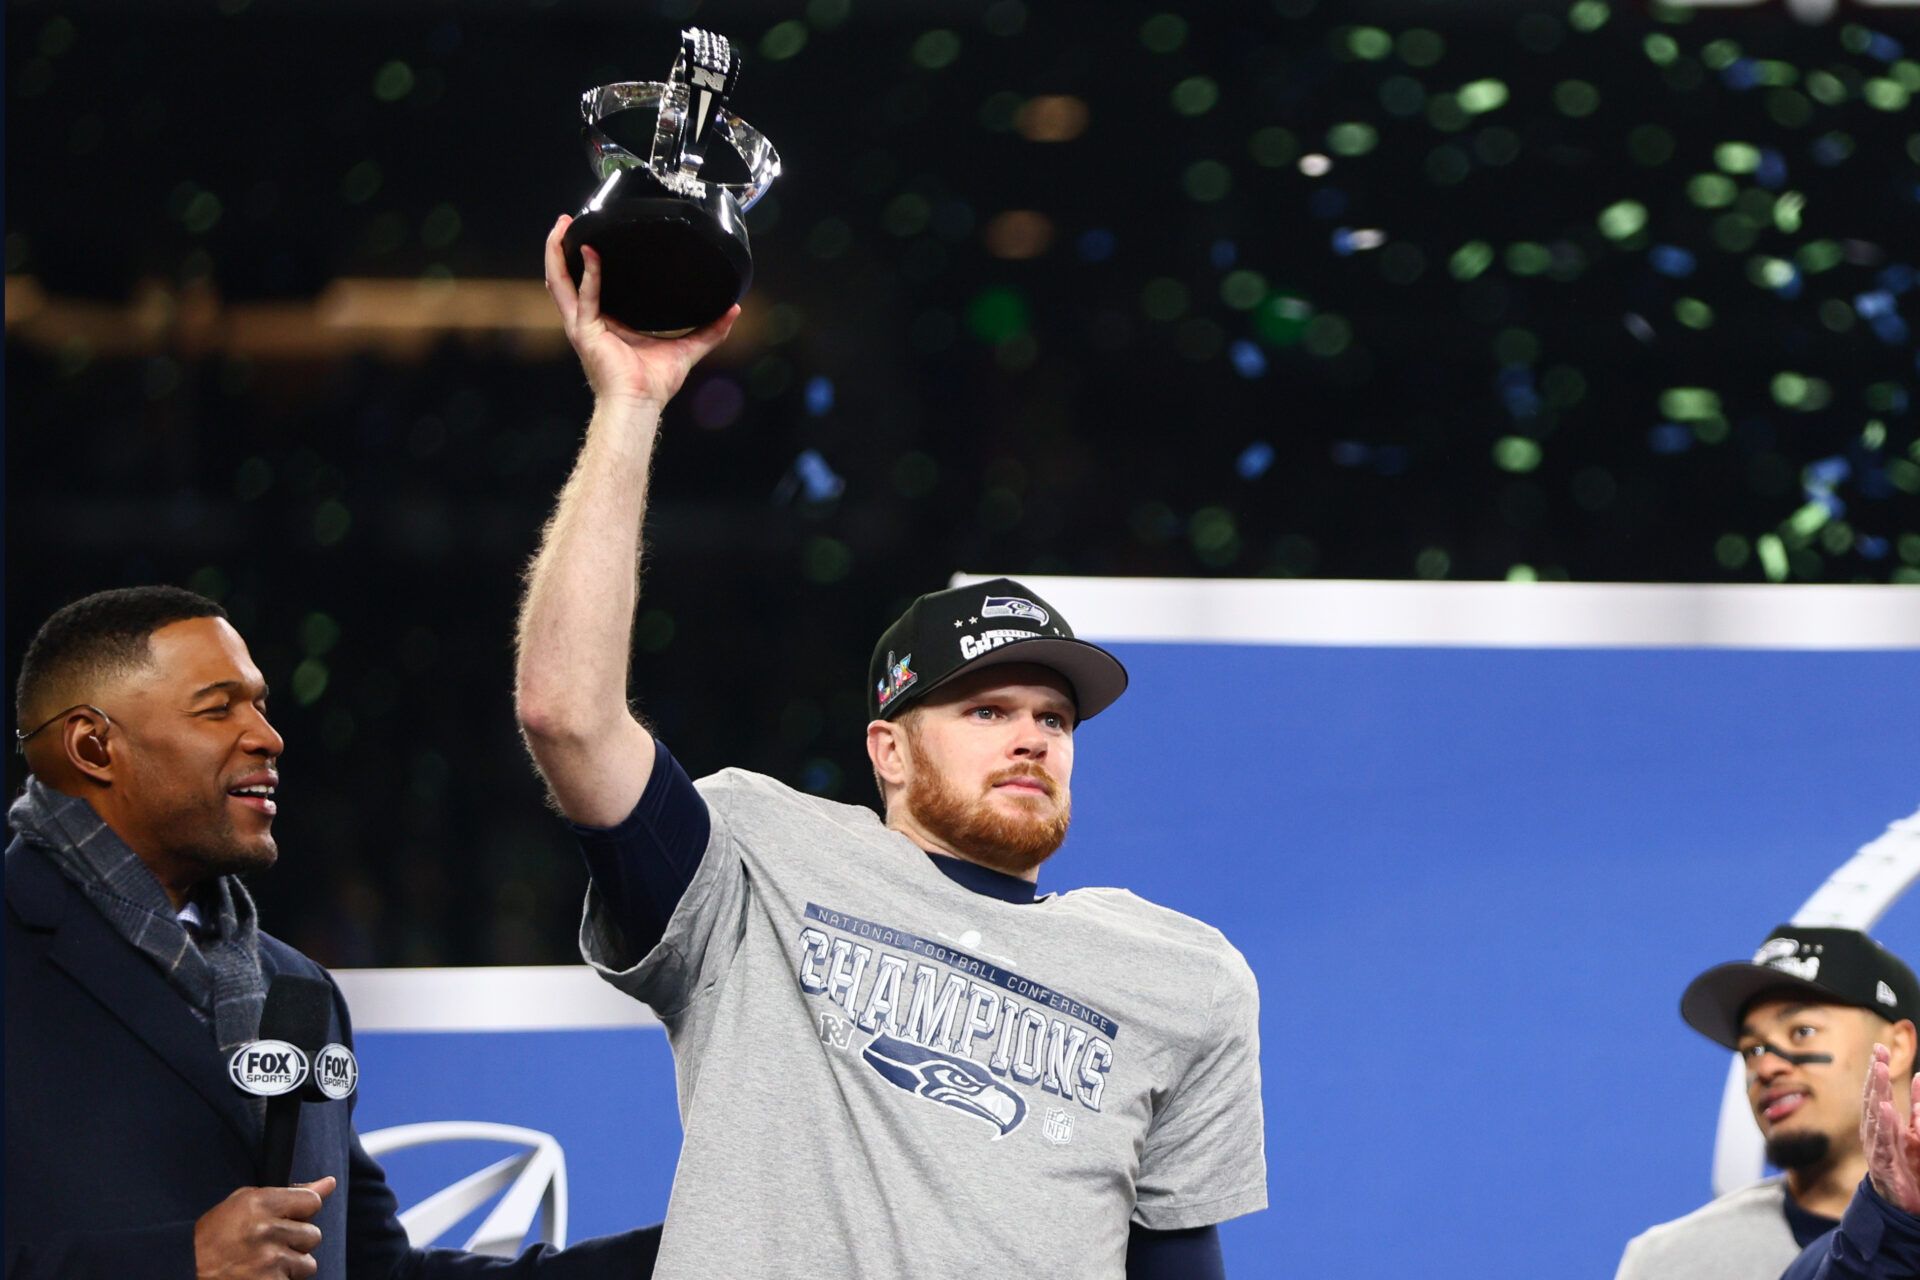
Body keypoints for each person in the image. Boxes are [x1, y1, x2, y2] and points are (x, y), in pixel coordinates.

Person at [514, 220, 1267, 1279]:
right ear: (890, 750)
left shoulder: (1182, 977)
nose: (1029, 738)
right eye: (985, 710)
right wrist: (629, 405)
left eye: (1052, 719)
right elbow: (567, 715)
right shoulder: (758, 865)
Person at [5, 585, 662, 1280]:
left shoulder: (297, 991)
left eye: (258, 704)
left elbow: (377, 1271)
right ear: (92, 745)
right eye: (218, 708)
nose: (266, 735)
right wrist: (179, 1264)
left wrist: (687, 1257)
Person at [1613, 925, 1920, 1280]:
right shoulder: (1670, 1262)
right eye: (1752, 1050)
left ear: (1897, 1047)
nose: (1766, 1066)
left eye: (1802, 1032)